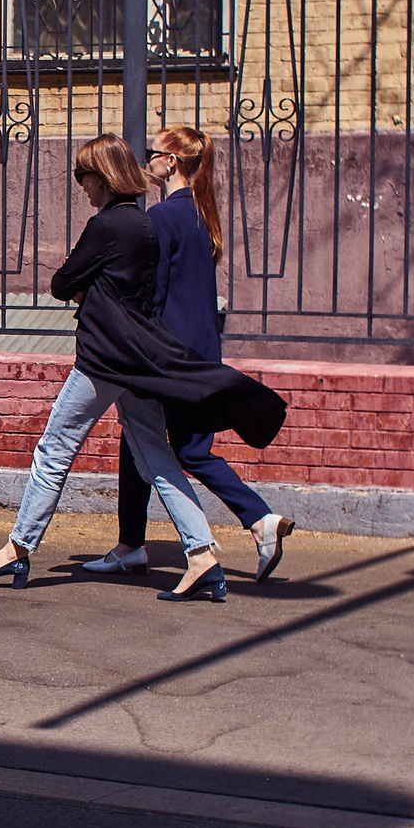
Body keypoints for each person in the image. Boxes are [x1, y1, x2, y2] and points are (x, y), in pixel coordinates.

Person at [0, 135, 287, 603]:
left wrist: (88, 290)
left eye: (85, 176)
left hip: (103, 359)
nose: (83, 186)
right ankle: (201, 555)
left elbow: (61, 282)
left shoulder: (107, 225)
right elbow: (139, 293)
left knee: (54, 450)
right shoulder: (145, 225)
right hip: (136, 361)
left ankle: (18, 547)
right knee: (157, 458)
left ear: (104, 176)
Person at [81, 126, 298, 582]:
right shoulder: (203, 215)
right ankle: (132, 545)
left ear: (171, 163)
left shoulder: (161, 219)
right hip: (201, 348)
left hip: (166, 353)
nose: (146, 161)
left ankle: (259, 521)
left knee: (182, 447)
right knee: (144, 440)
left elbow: (152, 292)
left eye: (151, 153)